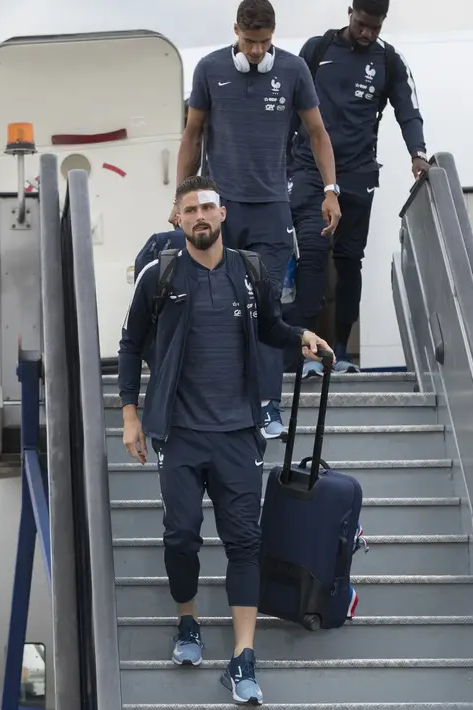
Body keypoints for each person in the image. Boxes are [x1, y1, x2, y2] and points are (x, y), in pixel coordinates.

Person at [120, 176, 331, 705]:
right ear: (178, 218)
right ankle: (187, 622)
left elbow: (270, 327)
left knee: (245, 545)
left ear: (224, 213)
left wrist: (300, 337)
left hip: (238, 434)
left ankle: (242, 657)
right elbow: (128, 346)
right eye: (190, 209)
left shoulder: (249, 271)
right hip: (181, 435)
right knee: (181, 538)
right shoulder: (160, 274)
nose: (200, 216)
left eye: (208, 207)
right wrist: (130, 416)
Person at [174, 0, 341, 439]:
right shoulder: (209, 69)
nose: (255, 51)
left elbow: (318, 132)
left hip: (271, 209)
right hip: (219, 209)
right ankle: (213, 396)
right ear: (236, 32)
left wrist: (330, 189)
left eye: (264, 43)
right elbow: (192, 134)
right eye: (249, 42)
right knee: (212, 302)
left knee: (266, 306)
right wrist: (182, 198)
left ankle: (268, 405)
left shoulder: (292, 71)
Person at [286, 0, 429, 375]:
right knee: (313, 255)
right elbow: (289, 109)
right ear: (350, 12)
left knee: (350, 261)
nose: (367, 33)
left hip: (357, 173)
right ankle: (309, 352)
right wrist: (279, 163)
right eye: (362, 24)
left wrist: (418, 152)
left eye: (375, 28)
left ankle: (343, 353)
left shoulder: (389, 62)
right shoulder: (317, 50)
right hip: (309, 169)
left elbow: (408, 110)